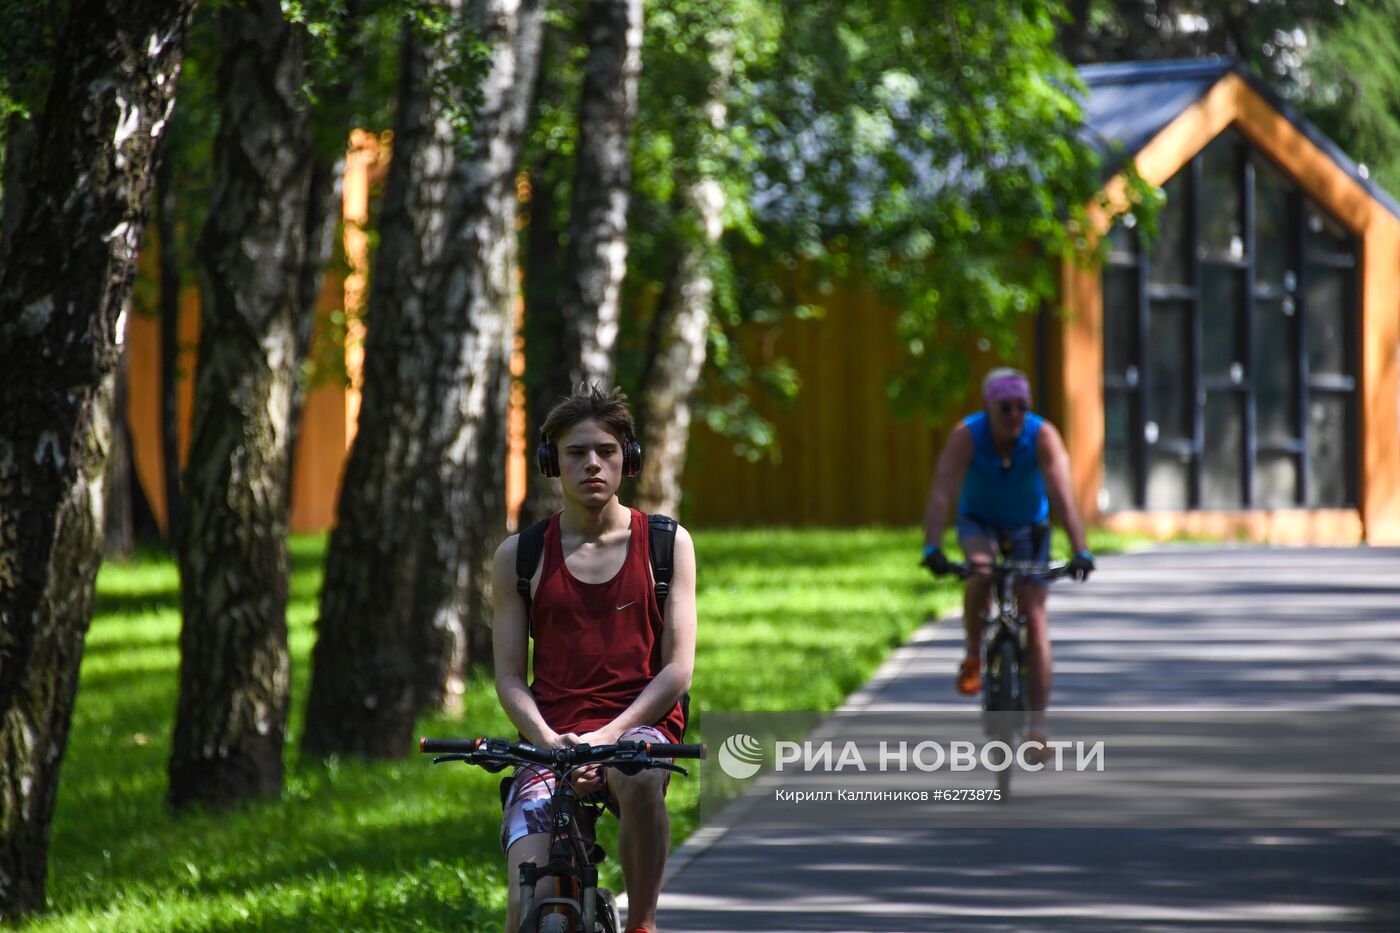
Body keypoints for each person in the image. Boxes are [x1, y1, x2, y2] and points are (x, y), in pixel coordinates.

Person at [492, 384, 696, 933]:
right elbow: (510, 676)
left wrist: (606, 739)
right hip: (550, 740)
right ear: (550, 462)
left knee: (639, 775)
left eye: (605, 450)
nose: (592, 464)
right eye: (576, 452)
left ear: (627, 459)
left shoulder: (666, 543)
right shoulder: (520, 556)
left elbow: (677, 669)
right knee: (523, 905)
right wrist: (547, 740)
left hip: (637, 728)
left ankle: (643, 923)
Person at [920, 367, 1094, 751]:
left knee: (1033, 615)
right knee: (980, 572)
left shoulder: (1043, 436)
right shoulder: (967, 435)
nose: (1015, 416)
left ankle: (1037, 730)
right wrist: (931, 547)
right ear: (988, 408)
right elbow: (942, 493)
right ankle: (972, 656)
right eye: (1005, 409)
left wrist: (1080, 549)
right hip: (979, 522)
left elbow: (1063, 499)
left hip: (1029, 528)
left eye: (1021, 407)